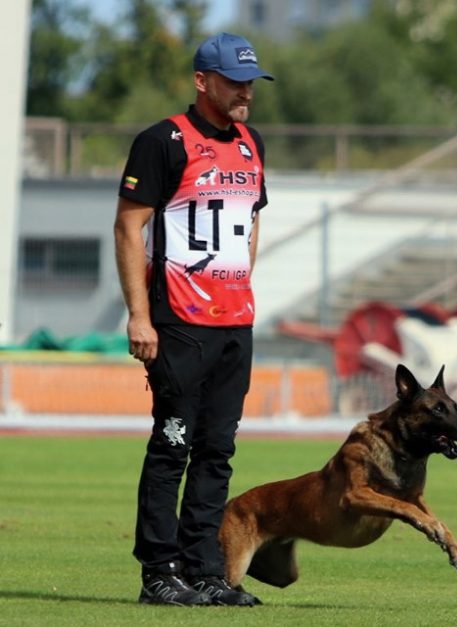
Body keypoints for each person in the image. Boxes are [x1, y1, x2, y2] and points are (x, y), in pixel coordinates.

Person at [113, 32, 274, 607]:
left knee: (218, 449)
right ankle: (159, 570)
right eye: (234, 81)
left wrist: (240, 283)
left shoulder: (252, 143)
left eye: (250, 82)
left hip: (236, 321)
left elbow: (251, 220)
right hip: (178, 321)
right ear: (202, 81)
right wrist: (139, 315)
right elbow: (128, 227)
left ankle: (206, 570)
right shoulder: (163, 141)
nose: (245, 92)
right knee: (173, 445)